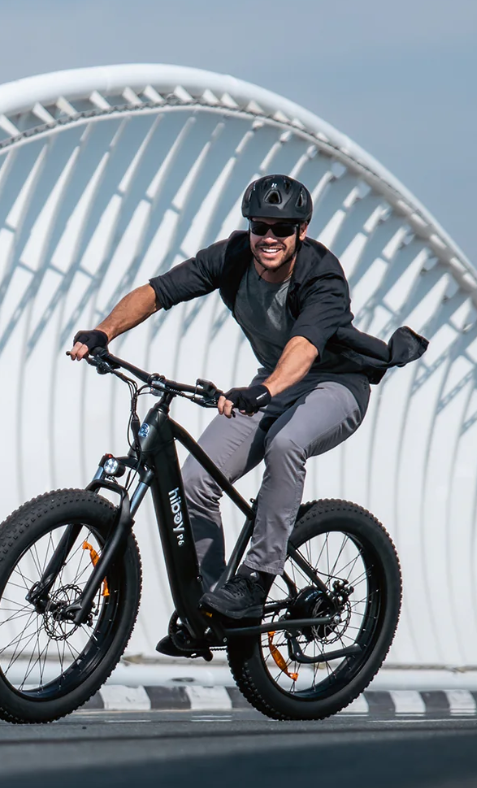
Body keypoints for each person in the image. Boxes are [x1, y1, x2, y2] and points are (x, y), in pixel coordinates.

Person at [69, 174, 427, 657]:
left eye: (283, 228)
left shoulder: (322, 275)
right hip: (272, 382)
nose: (269, 238)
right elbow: (157, 292)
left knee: (286, 443)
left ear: (303, 230)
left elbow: (302, 349)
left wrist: (265, 389)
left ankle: (257, 579)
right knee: (196, 479)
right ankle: (215, 608)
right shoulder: (233, 255)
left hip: (336, 384)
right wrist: (102, 332)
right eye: (261, 226)